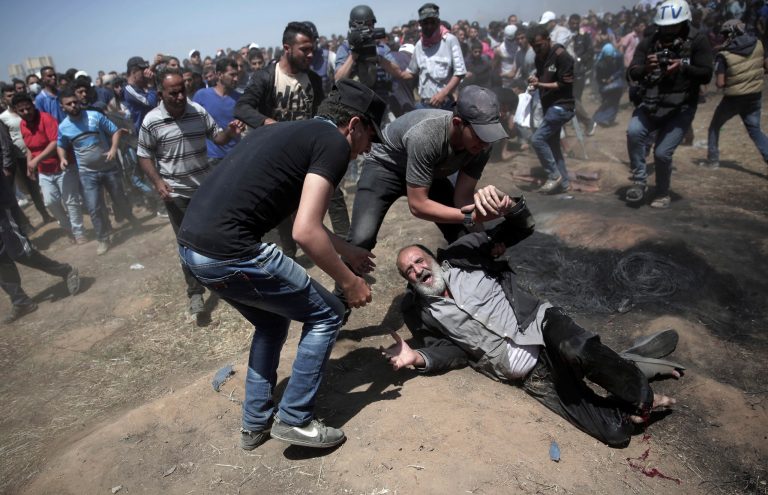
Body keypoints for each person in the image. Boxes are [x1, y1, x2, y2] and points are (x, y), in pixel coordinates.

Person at [177, 80, 385, 450]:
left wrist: (347, 250)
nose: (367, 148)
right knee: (328, 313)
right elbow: (305, 232)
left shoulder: (283, 132)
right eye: (370, 136)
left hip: (194, 251)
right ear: (354, 125)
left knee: (272, 322)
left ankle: (255, 423)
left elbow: (296, 216)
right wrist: (349, 281)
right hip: (231, 250)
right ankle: (295, 419)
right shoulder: (334, 142)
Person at [385, 206, 681, 447]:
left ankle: (642, 396)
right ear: (408, 280)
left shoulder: (462, 256)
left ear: (432, 258)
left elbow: (519, 227)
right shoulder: (419, 312)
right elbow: (451, 351)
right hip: (533, 375)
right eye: (409, 270)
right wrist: (418, 357)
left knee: (577, 349)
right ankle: (626, 364)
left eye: (419, 261)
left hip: (540, 326)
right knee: (616, 433)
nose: (418, 270)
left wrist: (511, 207)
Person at [345, 85, 511, 258]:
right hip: (385, 167)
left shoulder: (483, 146)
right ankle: (346, 273)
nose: (485, 143)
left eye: (489, 135)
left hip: (430, 171)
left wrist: (483, 239)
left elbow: (463, 198)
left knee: (464, 236)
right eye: (480, 135)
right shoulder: (427, 135)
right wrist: (471, 217)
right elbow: (418, 206)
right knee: (361, 238)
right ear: (458, 123)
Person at [235, 21, 350, 259]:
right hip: (279, 155)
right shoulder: (266, 77)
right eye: (304, 50)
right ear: (287, 48)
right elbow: (242, 107)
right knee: (282, 205)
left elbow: (322, 110)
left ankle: (348, 245)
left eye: (312, 49)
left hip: (311, 150)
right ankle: (289, 252)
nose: (310, 55)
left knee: (333, 194)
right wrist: (269, 123)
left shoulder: (313, 79)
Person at [137, 68, 240, 317]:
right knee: (187, 243)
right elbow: (144, 155)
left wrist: (230, 132)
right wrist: (158, 182)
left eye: (182, 91)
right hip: (176, 193)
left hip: (204, 189)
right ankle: (195, 293)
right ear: (161, 94)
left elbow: (218, 138)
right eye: (173, 93)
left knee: (212, 236)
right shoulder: (152, 121)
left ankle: (224, 280)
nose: (180, 97)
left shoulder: (197, 111)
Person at [625, 0, 713, 208]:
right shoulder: (649, 42)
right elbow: (632, 72)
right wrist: (646, 68)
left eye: (673, 26)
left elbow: (706, 74)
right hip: (651, 102)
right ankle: (639, 181)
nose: (668, 31)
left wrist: (682, 67)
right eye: (665, 27)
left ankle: (662, 192)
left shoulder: (698, 40)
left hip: (681, 106)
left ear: (684, 23)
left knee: (662, 153)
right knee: (634, 132)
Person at [0, 118, 80, 323]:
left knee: (20, 252)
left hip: (2, 207)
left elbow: (5, 151)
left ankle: (65, 270)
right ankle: (20, 301)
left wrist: (7, 174)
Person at [57, 86, 135, 255]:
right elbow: (61, 144)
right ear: (62, 107)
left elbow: (115, 131)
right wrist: (62, 158)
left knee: (119, 198)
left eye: (75, 102)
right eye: (69, 104)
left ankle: (133, 221)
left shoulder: (94, 116)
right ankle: (103, 239)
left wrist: (113, 149)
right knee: (94, 207)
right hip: (87, 173)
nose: (73, 106)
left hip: (108, 168)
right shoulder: (64, 127)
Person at [14, 93, 86, 243]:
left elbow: (55, 143)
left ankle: (79, 232)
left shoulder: (46, 119)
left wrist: (36, 160)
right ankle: (68, 228)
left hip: (63, 165)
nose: (26, 112)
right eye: (21, 110)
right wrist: (29, 164)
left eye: (28, 108)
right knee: (50, 202)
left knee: (70, 200)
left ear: (33, 105)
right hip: (44, 170)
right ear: (16, 111)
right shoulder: (23, 124)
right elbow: (30, 147)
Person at [702, 19, 768, 169]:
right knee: (755, 130)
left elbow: (720, 83)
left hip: (734, 99)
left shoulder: (724, 55)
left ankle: (713, 160)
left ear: (730, 34)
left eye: (725, 35)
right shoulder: (758, 44)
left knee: (714, 127)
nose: (723, 38)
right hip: (755, 95)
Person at [389, 3, 467, 109]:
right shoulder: (419, 45)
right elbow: (410, 73)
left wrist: (443, 94)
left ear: (438, 22)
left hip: (445, 104)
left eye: (432, 22)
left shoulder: (450, 40)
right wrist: (387, 64)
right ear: (420, 24)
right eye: (425, 23)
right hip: (424, 105)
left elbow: (460, 73)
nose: (429, 26)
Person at [528, 25, 576, 194]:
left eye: (539, 45)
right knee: (553, 145)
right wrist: (535, 79)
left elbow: (564, 84)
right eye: (534, 47)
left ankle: (554, 176)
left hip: (562, 106)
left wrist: (540, 84)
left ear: (548, 40)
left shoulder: (562, 56)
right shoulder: (539, 58)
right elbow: (541, 76)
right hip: (549, 106)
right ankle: (564, 183)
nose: (537, 50)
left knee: (537, 139)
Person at [1, 85, 54, 228]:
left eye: (13, 94)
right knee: (32, 188)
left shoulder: (30, 111)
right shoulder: (3, 118)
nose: (12, 97)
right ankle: (44, 214)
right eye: (9, 96)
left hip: (41, 152)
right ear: (4, 99)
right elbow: (6, 140)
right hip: (21, 157)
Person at [192, 59, 242, 167]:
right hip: (210, 158)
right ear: (219, 75)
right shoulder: (201, 96)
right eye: (232, 75)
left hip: (235, 157)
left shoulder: (240, 99)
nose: (236, 79)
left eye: (237, 75)